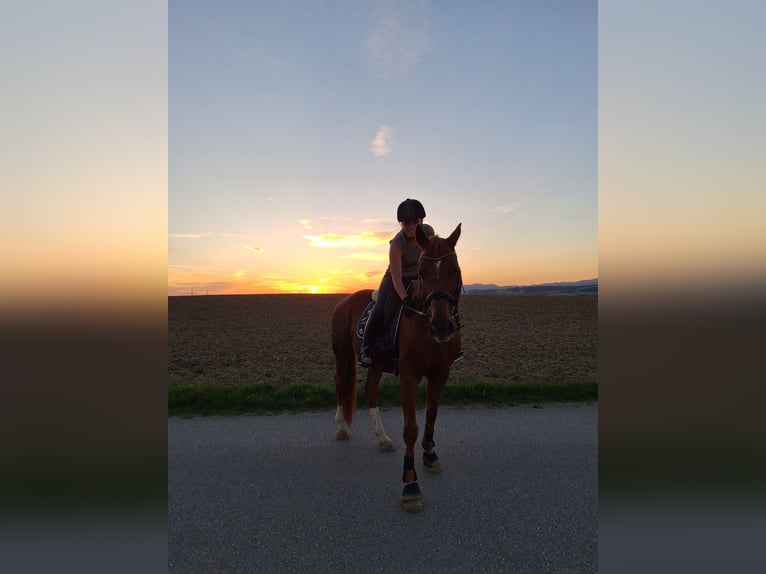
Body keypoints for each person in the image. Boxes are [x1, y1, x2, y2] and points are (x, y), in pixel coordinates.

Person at [358, 198, 433, 368]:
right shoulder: (397, 244)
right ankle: (366, 347)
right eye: (406, 223)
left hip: (418, 276)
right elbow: (397, 279)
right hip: (395, 277)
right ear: (401, 224)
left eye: (415, 222)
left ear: (421, 221)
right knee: (382, 305)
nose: (411, 226)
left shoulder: (428, 232)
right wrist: (405, 298)